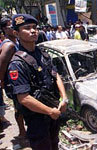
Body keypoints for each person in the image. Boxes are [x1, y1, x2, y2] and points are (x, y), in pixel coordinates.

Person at [5, 14, 68, 149]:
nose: (33, 31)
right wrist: (49, 111)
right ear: (16, 33)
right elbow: (24, 98)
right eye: (27, 28)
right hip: (37, 118)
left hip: (53, 110)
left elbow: (56, 76)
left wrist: (64, 98)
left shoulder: (43, 54)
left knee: (54, 143)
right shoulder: (17, 64)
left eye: (34, 27)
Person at [0, 16, 23, 134]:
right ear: (4, 29)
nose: (14, 28)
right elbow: (1, 66)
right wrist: (3, 82)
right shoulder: (9, 45)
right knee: (19, 107)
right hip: (13, 81)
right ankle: (22, 133)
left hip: (19, 79)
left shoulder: (16, 41)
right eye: (11, 26)